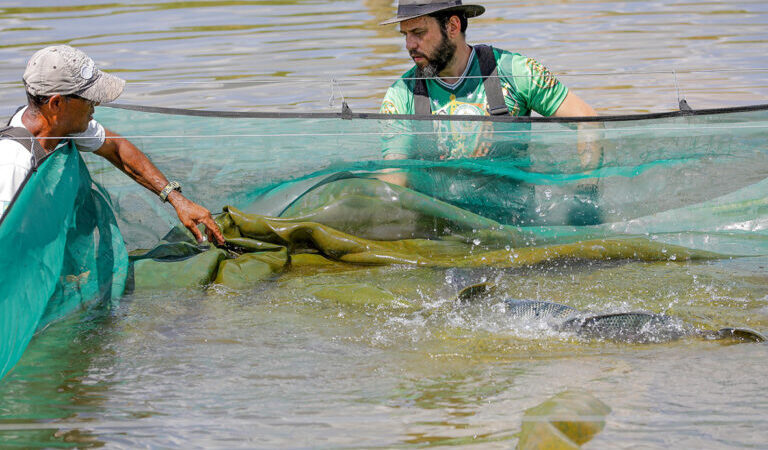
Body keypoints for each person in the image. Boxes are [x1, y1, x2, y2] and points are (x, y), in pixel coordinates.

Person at [377, 0, 602, 225]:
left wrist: (585, 197)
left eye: (418, 32)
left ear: (452, 27)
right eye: (404, 34)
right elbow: (394, 175)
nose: (409, 44)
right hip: (442, 229)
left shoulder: (515, 72)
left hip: (517, 226)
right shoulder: (400, 95)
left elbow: (588, 121)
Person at [0, 45, 224, 244]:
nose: (96, 104)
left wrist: (177, 199)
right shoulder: (12, 165)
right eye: (88, 98)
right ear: (56, 103)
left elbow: (117, 148)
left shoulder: (61, 126)